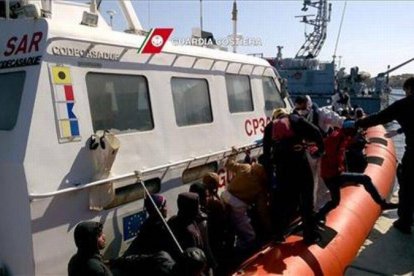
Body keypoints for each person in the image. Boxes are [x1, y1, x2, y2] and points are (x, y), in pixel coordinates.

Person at [355, 77, 414, 234]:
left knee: (407, 186)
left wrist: (358, 123)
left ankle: (405, 222)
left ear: (408, 89)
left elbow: (379, 118)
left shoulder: (403, 105)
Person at [317, 121, 398, 221]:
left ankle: (319, 216)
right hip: (332, 175)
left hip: (334, 174)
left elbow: (348, 143)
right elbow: (329, 155)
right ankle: (382, 203)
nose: (355, 134)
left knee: (336, 201)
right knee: (364, 179)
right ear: (349, 131)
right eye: (354, 132)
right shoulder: (335, 139)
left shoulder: (342, 136)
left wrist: (362, 140)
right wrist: (339, 167)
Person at [271, 108, 325, 244]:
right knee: (307, 200)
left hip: (283, 167)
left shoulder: (272, 127)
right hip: (298, 162)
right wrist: (320, 150)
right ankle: (309, 235)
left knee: (287, 202)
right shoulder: (296, 120)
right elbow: (316, 132)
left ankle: (278, 234)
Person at [221, 147, 270, 250]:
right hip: (238, 205)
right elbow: (262, 210)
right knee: (249, 235)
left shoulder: (245, 167)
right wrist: (268, 226)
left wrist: (234, 153)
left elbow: (229, 164)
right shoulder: (260, 187)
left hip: (225, 196)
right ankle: (244, 251)